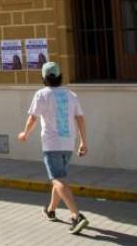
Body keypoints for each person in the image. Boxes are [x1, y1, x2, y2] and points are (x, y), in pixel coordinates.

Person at [17, 61, 89, 234]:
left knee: (57, 179)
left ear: (44, 78)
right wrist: (83, 142)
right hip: (68, 144)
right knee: (61, 178)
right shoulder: (71, 95)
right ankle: (50, 210)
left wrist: (25, 133)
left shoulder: (42, 94)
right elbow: (80, 119)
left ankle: (76, 215)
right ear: (60, 76)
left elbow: (32, 118)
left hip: (52, 144)